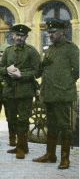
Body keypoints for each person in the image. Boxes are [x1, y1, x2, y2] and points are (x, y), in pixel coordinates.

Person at [33, 18, 79, 169]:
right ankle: (50, 155)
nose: (50, 35)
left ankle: (65, 159)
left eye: (53, 32)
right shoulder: (49, 50)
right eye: (49, 32)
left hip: (63, 94)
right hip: (49, 94)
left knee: (64, 126)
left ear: (62, 32)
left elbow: (77, 70)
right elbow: (41, 71)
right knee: (51, 125)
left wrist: (66, 84)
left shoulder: (71, 49)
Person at [0, 24, 41, 159]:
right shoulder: (8, 51)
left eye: (22, 36)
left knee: (23, 119)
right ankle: (20, 145)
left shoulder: (32, 52)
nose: (19, 38)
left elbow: (38, 71)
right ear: (13, 36)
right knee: (11, 119)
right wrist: (7, 70)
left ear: (26, 36)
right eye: (17, 35)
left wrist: (22, 75)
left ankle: (21, 148)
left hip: (25, 91)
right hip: (10, 91)